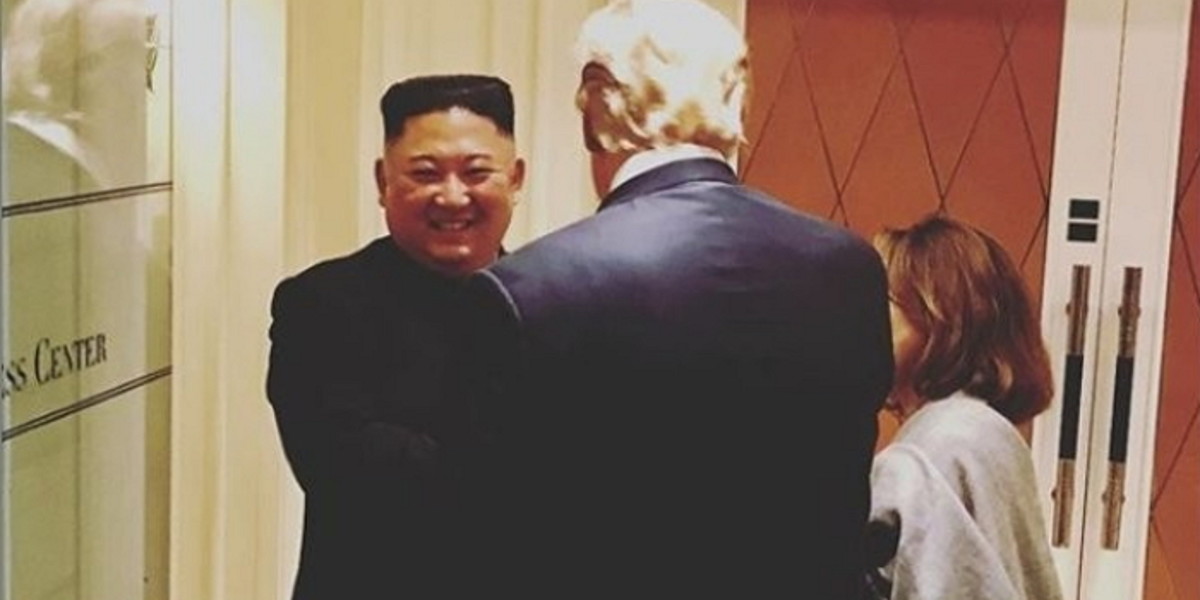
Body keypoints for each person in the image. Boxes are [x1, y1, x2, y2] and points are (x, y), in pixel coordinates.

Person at [450, 0, 893, 595]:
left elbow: (486, 542)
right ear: (737, 100)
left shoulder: (529, 291)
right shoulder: (849, 267)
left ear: (596, 108)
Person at [266, 74, 525, 600]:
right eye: (425, 173)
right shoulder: (319, 307)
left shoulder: (556, 301)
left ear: (516, 179)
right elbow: (362, 480)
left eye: (476, 173)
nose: (452, 196)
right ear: (383, 181)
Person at [867, 215, 1064, 600]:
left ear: (941, 315)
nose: (863, 320)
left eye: (882, 301)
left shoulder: (940, 445)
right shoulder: (985, 432)